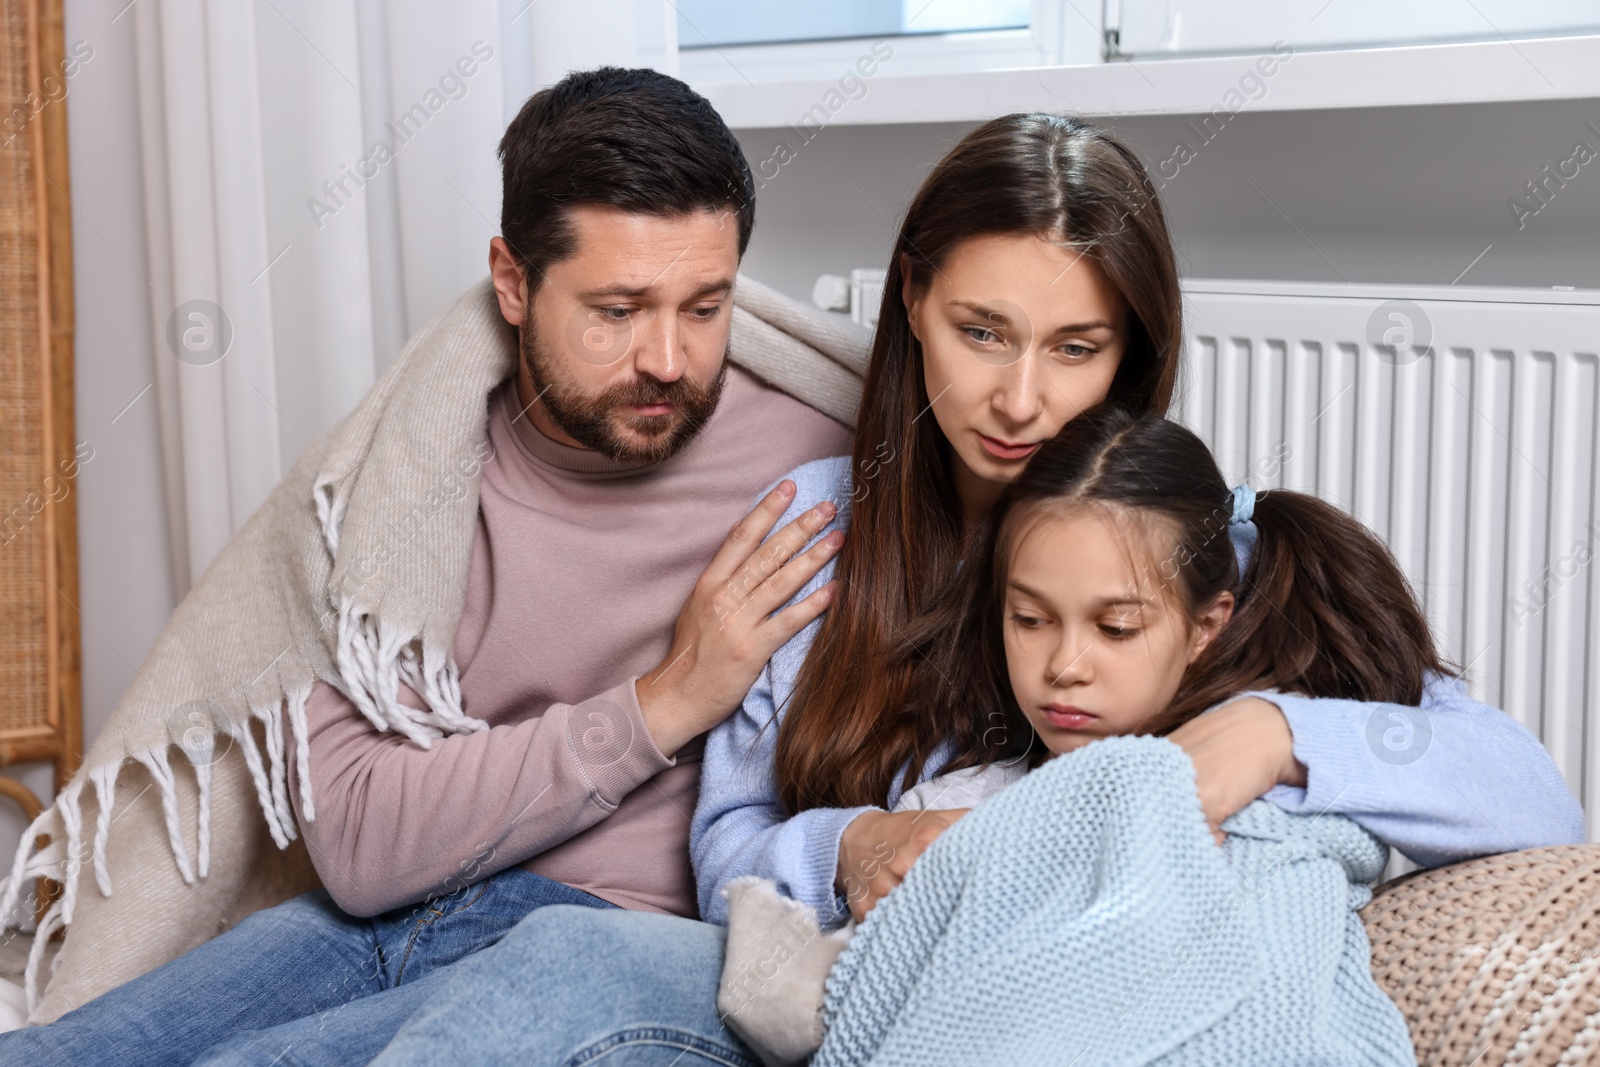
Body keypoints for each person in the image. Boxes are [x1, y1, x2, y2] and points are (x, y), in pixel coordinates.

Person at [372, 113, 1585, 1066]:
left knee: (552, 974)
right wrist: (857, 843)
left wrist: (1269, 733)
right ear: (911, 302)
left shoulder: (1216, 552)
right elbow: (725, 847)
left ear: (1135, 352)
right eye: (981, 332)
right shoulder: (814, 533)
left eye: (1076, 348)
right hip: (816, 975)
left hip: (1016, 1005)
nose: (1020, 401)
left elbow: (1524, 785)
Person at [0, 67, 855, 1066]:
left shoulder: (823, 447)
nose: (667, 357)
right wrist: (664, 700)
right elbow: (361, 844)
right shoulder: (398, 487)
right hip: (391, 915)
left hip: (615, 936)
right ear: (512, 280)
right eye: (615, 311)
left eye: (704, 306)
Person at [718, 404, 1431, 1065]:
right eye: (1029, 620)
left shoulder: (1281, 768)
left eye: (1115, 628)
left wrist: (1273, 740)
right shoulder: (963, 800)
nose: (1063, 666)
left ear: (1205, 626)